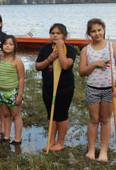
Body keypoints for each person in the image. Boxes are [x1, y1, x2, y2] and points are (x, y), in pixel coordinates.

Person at [79, 18, 116, 162]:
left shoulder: (113, 47)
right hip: (92, 89)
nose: (97, 33)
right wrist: (95, 64)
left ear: (104, 29)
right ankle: (91, 149)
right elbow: (81, 72)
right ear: (89, 33)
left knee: (105, 119)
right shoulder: (86, 50)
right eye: (93, 31)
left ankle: (103, 150)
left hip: (109, 90)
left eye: (99, 30)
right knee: (94, 119)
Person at [35, 23, 77, 151]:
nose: (55, 35)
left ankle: (60, 142)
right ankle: (51, 141)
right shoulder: (45, 48)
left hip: (64, 87)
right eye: (52, 33)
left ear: (64, 35)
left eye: (58, 33)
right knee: (51, 114)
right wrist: (49, 59)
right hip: (48, 87)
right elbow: (38, 66)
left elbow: (65, 65)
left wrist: (60, 48)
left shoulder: (70, 49)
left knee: (61, 114)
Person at [0, 35, 24, 145]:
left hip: (12, 92)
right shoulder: (0, 59)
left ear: (15, 46)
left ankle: (17, 139)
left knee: (16, 115)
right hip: (1, 92)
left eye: (11, 44)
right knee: (6, 115)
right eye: (5, 44)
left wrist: (19, 95)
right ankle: (6, 136)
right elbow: (1, 74)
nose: (8, 46)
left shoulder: (17, 61)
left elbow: (21, 79)